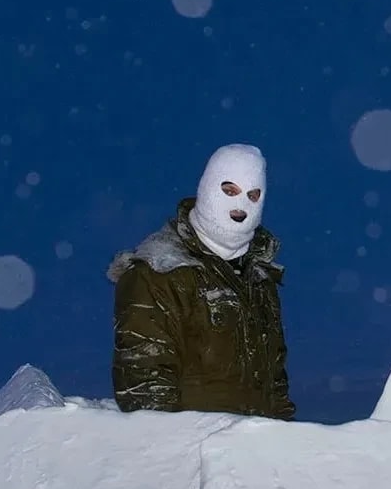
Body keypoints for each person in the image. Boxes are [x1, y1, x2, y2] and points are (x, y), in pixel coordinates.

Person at [107, 143, 294, 419]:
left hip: (255, 457)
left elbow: (275, 385)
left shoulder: (259, 278)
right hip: (197, 457)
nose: (240, 205)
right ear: (207, 189)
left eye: (252, 195)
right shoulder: (159, 273)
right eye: (229, 191)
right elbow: (146, 394)